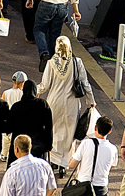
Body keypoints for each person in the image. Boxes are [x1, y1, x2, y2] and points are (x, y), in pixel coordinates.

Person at [37, 35, 95, 177]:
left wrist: (33, 92)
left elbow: (44, 86)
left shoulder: (51, 63)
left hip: (54, 102)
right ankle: (65, 163)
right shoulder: (77, 62)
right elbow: (85, 83)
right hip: (71, 103)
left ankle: (54, 160)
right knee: (69, 133)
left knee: (54, 131)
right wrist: (91, 100)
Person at [6, 79, 53, 167]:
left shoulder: (16, 107)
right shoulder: (42, 104)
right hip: (37, 146)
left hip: (19, 147)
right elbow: (48, 126)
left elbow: (9, 127)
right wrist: (48, 145)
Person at [69, 115, 118, 196]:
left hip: (84, 188)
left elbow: (71, 165)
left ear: (95, 128)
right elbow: (111, 165)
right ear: (109, 131)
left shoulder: (86, 143)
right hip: (102, 189)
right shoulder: (113, 149)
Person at [0, 71, 27, 162]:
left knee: (6, 138)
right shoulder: (23, 94)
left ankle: (4, 154)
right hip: (19, 119)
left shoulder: (6, 93)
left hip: (8, 118)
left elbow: (2, 105)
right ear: (23, 83)